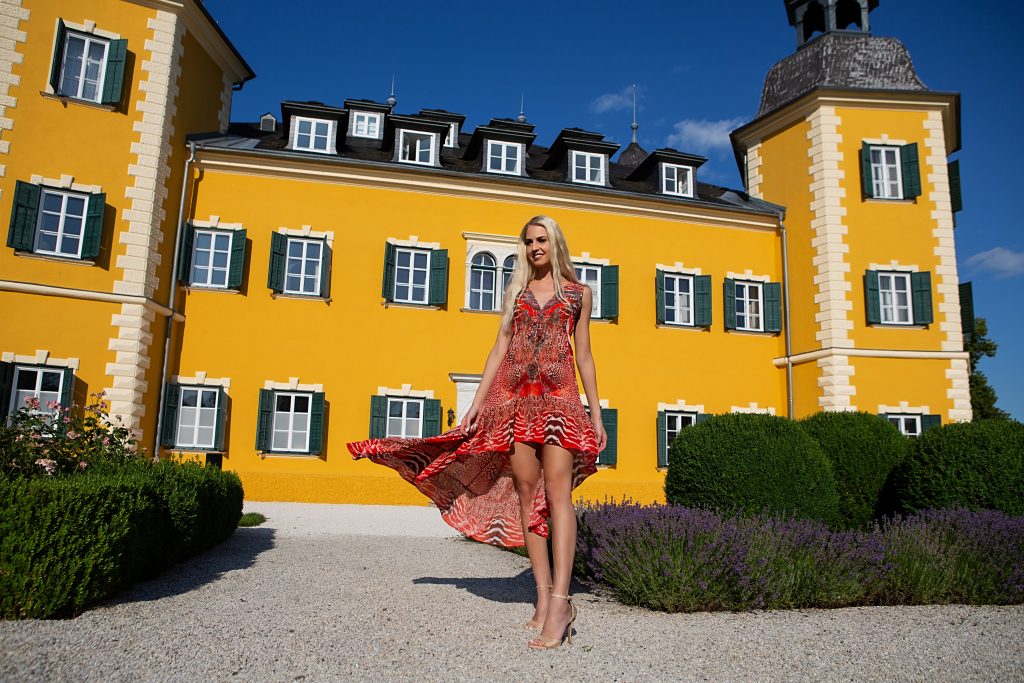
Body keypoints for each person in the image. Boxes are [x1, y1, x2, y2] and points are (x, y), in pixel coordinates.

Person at [348, 215, 606, 649]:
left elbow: (585, 355)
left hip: (560, 401)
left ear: (555, 243)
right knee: (528, 496)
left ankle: (561, 602)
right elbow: (499, 348)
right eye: (528, 242)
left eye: (541, 240)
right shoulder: (517, 294)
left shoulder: (580, 294)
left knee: (558, 495)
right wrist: (477, 402)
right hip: (516, 403)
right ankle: (542, 600)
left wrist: (595, 413)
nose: (534, 247)